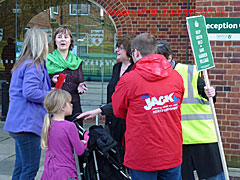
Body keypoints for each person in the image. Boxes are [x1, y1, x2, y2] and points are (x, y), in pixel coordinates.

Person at [111, 33, 185, 180]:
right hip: (171, 150)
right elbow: (178, 103)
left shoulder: (129, 80)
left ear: (136, 53)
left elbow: (117, 110)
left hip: (142, 154)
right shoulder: (176, 76)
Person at [157, 40, 224, 180]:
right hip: (177, 142)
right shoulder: (155, 78)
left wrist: (210, 92)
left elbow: (206, 93)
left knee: (214, 177)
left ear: (169, 58)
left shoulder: (189, 72)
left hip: (202, 137)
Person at [77, 35, 135, 164]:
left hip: (127, 119)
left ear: (129, 51)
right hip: (111, 117)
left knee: (126, 152)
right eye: (116, 48)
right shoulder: (116, 68)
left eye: (120, 48)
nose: (116, 51)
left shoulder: (135, 70)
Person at [4, 27, 51, 180]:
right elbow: (30, 92)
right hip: (28, 125)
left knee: (20, 168)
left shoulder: (23, 63)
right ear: (39, 44)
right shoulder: (34, 65)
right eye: (45, 43)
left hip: (19, 123)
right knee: (30, 169)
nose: (47, 46)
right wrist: (51, 94)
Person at [41, 89, 86, 180]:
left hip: (49, 171)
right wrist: (84, 142)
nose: (72, 105)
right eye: (69, 103)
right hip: (65, 172)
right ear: (62, 107)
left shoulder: (47, 124)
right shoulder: (69, 126)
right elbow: (79, 150)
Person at [46, 27, 88, 122]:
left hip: (73, 105)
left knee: (75, 134)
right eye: (59, 37)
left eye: (66, 37)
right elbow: (42, 83)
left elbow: (80, 82)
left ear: (71, 42)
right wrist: (52, 81)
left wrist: (81, 86)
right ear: (55, 41)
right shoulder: (48, 60)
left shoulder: (76, 61)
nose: (63, 39)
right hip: (55, 105)